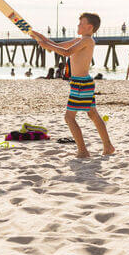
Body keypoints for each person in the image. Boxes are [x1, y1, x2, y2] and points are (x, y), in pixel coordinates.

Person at [31, 13, 114, 158]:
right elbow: (56, 46)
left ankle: (83, 150)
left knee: (69, 118)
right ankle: (108, 146)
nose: (78, 25)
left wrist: (45, 44)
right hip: (83, 82)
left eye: (81, 23)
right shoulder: (80, 40)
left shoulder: (88, 41)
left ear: (89, 27)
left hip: (81, 83)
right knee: (93, 114)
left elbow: (66, 52)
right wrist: (39, 37)